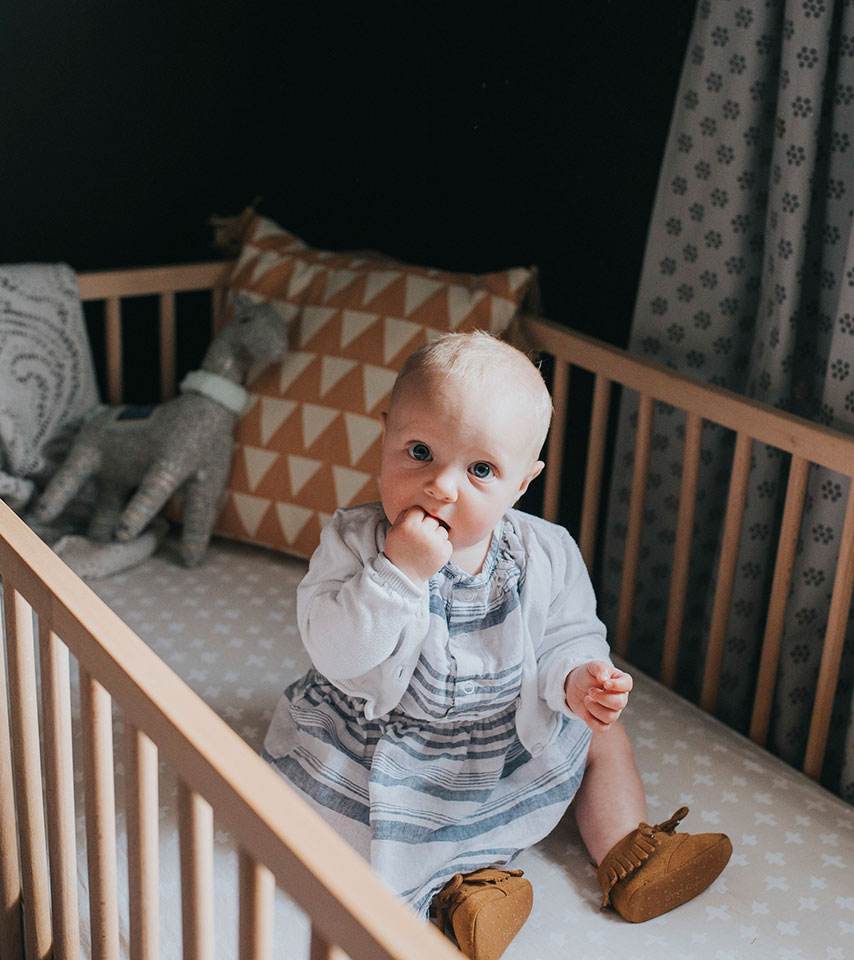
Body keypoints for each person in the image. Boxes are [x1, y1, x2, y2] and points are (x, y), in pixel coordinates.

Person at [262, 331, 732, 960]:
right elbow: (336, 651)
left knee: (601, 738)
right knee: (369, 824)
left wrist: (579, 682)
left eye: (480, 469)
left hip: (505, 730)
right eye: (420, 451)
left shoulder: (545, 552)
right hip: (392, 743)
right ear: (386, 435)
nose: (442, 486)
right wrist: (398, 574)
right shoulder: (356, 542)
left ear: (521, 483)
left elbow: (569, 634)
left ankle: (631, 854)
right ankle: (461, 894)